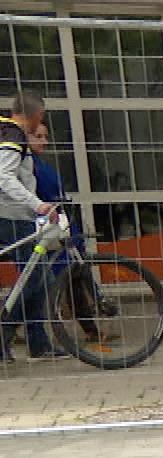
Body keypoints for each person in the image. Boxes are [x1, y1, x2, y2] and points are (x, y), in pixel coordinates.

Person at [24, 120, 114, 347]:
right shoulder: (27, 167)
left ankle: (89, 327)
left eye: (45, 136)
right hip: (47, 230)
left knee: (73, 276)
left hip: (60, 227)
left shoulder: (41, 164)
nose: (44, 141)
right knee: (57, 282)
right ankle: (67, 331)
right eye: (38, 136)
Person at [0, 91, 55, 358]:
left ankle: (38, 342)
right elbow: (4, 177)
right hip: (11, 217)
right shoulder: (14, 135)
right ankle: (4, 332)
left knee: (40, 278)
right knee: (36, 277)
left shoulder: (6, 131)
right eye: (41, 117)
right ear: (36, 114)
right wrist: (38, 205)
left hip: (17, 216)